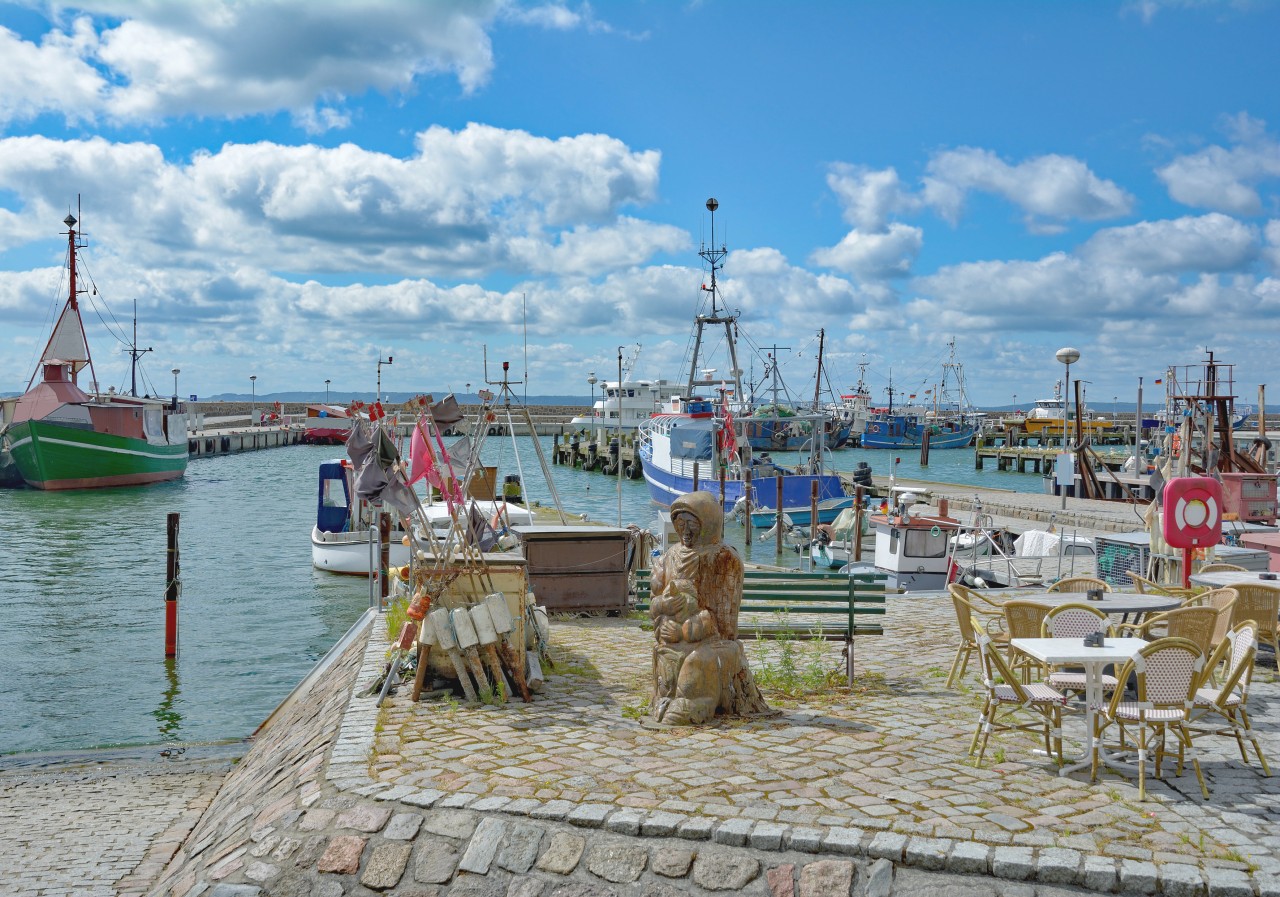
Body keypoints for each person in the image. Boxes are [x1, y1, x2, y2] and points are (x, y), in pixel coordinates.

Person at [648, 491, 770, 725]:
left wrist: (684, 632)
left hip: (714, 642)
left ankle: (695, 702)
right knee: (665, 654)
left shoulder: (724, 559)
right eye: (680, 523)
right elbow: (654, 603)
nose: (685, 531)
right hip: (675, 635)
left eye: (692, 524)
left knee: (697, 659)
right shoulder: (668, 557)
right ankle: (665, 699)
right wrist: (663, 617)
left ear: (708, 524)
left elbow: (725, 626)